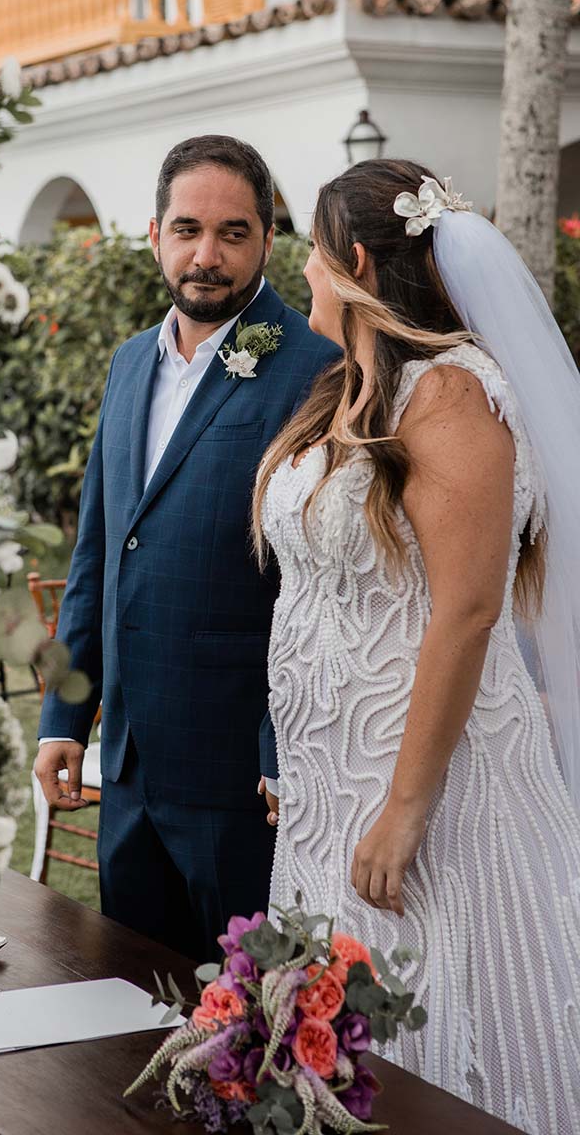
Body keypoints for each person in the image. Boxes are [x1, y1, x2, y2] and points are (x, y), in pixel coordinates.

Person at [256, 158, 580, 1131]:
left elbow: (467, 610)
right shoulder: (351, 393)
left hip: (428, 794)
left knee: (437, 1036)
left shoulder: (449, 393)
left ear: (352, 258)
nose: (302, 272)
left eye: (309, 252)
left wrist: (404, 808)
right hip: (328, 787)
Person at [34, 135, 340, 962]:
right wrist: (64, 716)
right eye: (187, 229)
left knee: (243, 1028)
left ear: (268, 239)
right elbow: (99, 554)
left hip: (239, 779)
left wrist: (283, 753)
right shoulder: (129, 362)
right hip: (128, 771)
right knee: (126, 1015)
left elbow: (315, 587)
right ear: (154, 233)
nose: (207, 255)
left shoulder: (318, 370)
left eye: (233, 233)